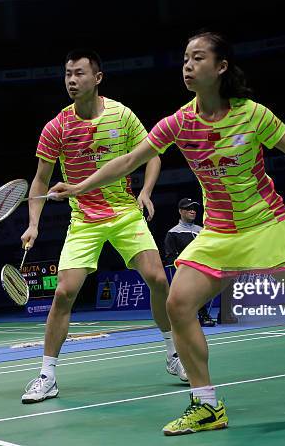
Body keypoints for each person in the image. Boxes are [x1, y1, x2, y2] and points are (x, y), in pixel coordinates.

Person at [47, 32, 285, 435]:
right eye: (184, 60)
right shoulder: (179, 122)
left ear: (221, 67)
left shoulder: (252, 114)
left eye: (197, 59)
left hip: (268, 225)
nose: (188, 66)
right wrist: (78, 187)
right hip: (219, 233)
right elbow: (128, 160)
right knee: (178, 301)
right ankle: (207, 404)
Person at [20, 49, 187, 405]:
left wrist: (145, 191)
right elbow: (40, 181)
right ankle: (47, 375)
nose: (71, 80)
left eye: (79, 73)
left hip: (125, 211)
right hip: (83, 219)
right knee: (64, 293)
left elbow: (152, 154)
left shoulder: (122, 115)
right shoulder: (56, 127)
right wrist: (33, 224)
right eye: (67, 74)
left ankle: (174, 354)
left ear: (97, 78)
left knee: (159, 279)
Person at [164, 198, 214, 326]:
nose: (192, 211)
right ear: (180, 211)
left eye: (194, 209)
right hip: (185, 270)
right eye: (188, 208)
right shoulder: (173, 233)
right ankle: (202, 315)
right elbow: (170, 256)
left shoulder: (202, 231)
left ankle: (224, 314)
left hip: (204, 267)